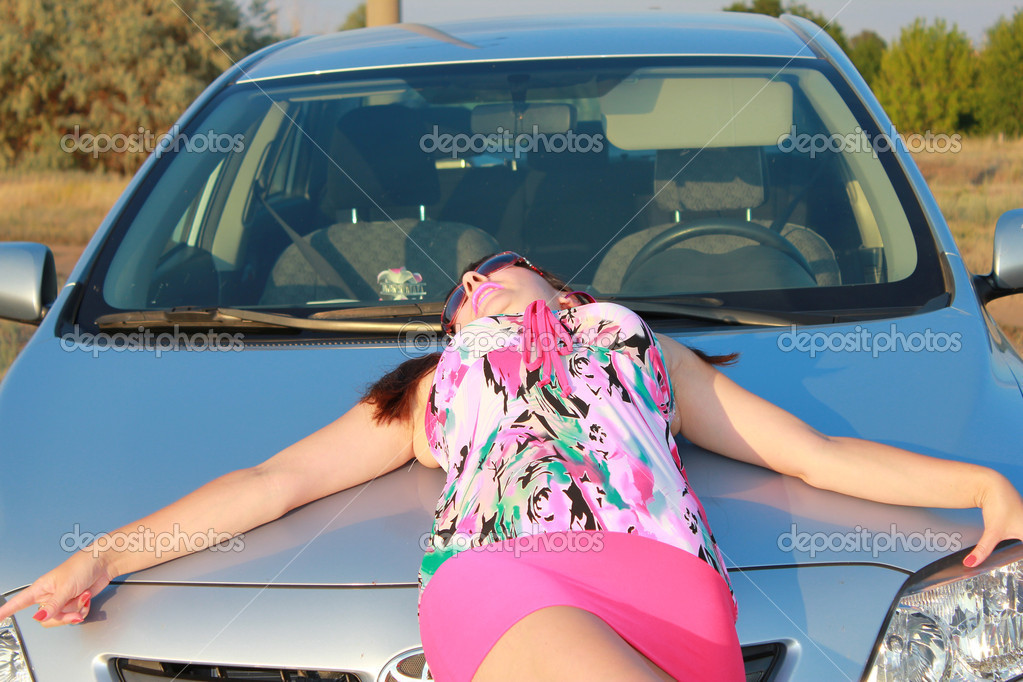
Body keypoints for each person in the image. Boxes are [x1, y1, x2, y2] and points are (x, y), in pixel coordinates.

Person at [2, 251, 1022, 682]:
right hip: (512, 579)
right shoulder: (435, 387)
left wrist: (981, 485)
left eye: (494, 269)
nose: (474, 282)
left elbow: (813, 454)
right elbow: (274, 484)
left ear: (565, 292)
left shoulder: (640, 350)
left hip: (673, 592)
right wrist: (105, 554)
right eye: (459, 295)